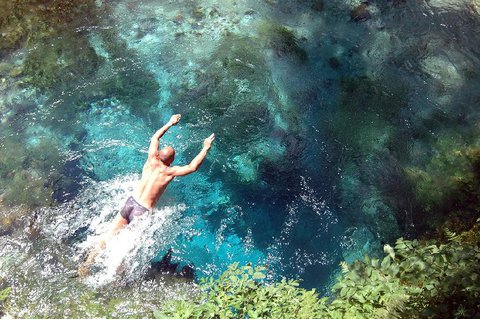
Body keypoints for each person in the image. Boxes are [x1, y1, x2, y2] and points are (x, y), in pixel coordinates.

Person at [78, 114, 215, 276]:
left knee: (108, 236)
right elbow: (192, 167)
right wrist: (205, 148)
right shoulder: (170, 172)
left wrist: (170, 123)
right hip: (141, 211)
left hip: (130, 202)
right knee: (126, 247)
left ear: (158, 155)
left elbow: (155, 138)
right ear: (171, 161)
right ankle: (117, 278)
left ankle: (86, 266)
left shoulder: (151, 159)